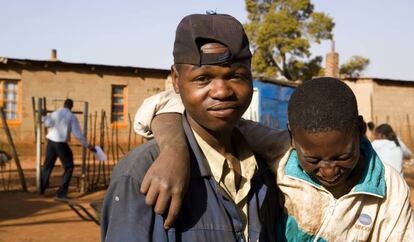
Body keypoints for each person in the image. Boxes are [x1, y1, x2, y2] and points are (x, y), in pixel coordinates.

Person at [137, 77, 414, 241]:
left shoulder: (389, 189)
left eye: (343, 157)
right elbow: (180, 107)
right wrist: (174, 149)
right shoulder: (279, 151)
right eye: (313, 160)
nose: (329, 171)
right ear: (293, 138)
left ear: (359, 129)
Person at [101, 13, 282, 242]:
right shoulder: (142, 173)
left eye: (236, 76)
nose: (221, 91)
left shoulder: (264, 167)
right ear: (176, 80)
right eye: (203, 78)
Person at [40, 99, 93, 200]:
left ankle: (41, 189)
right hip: (60, 144)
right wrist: (87, 145)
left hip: (50, 142)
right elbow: (78, 134)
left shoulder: (55, 113)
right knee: (69, 166)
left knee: (47, 165)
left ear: (64, 105)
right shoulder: (71, 116)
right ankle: (61, 193)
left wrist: (43, 116)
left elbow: (46, 123)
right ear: (71, 106)